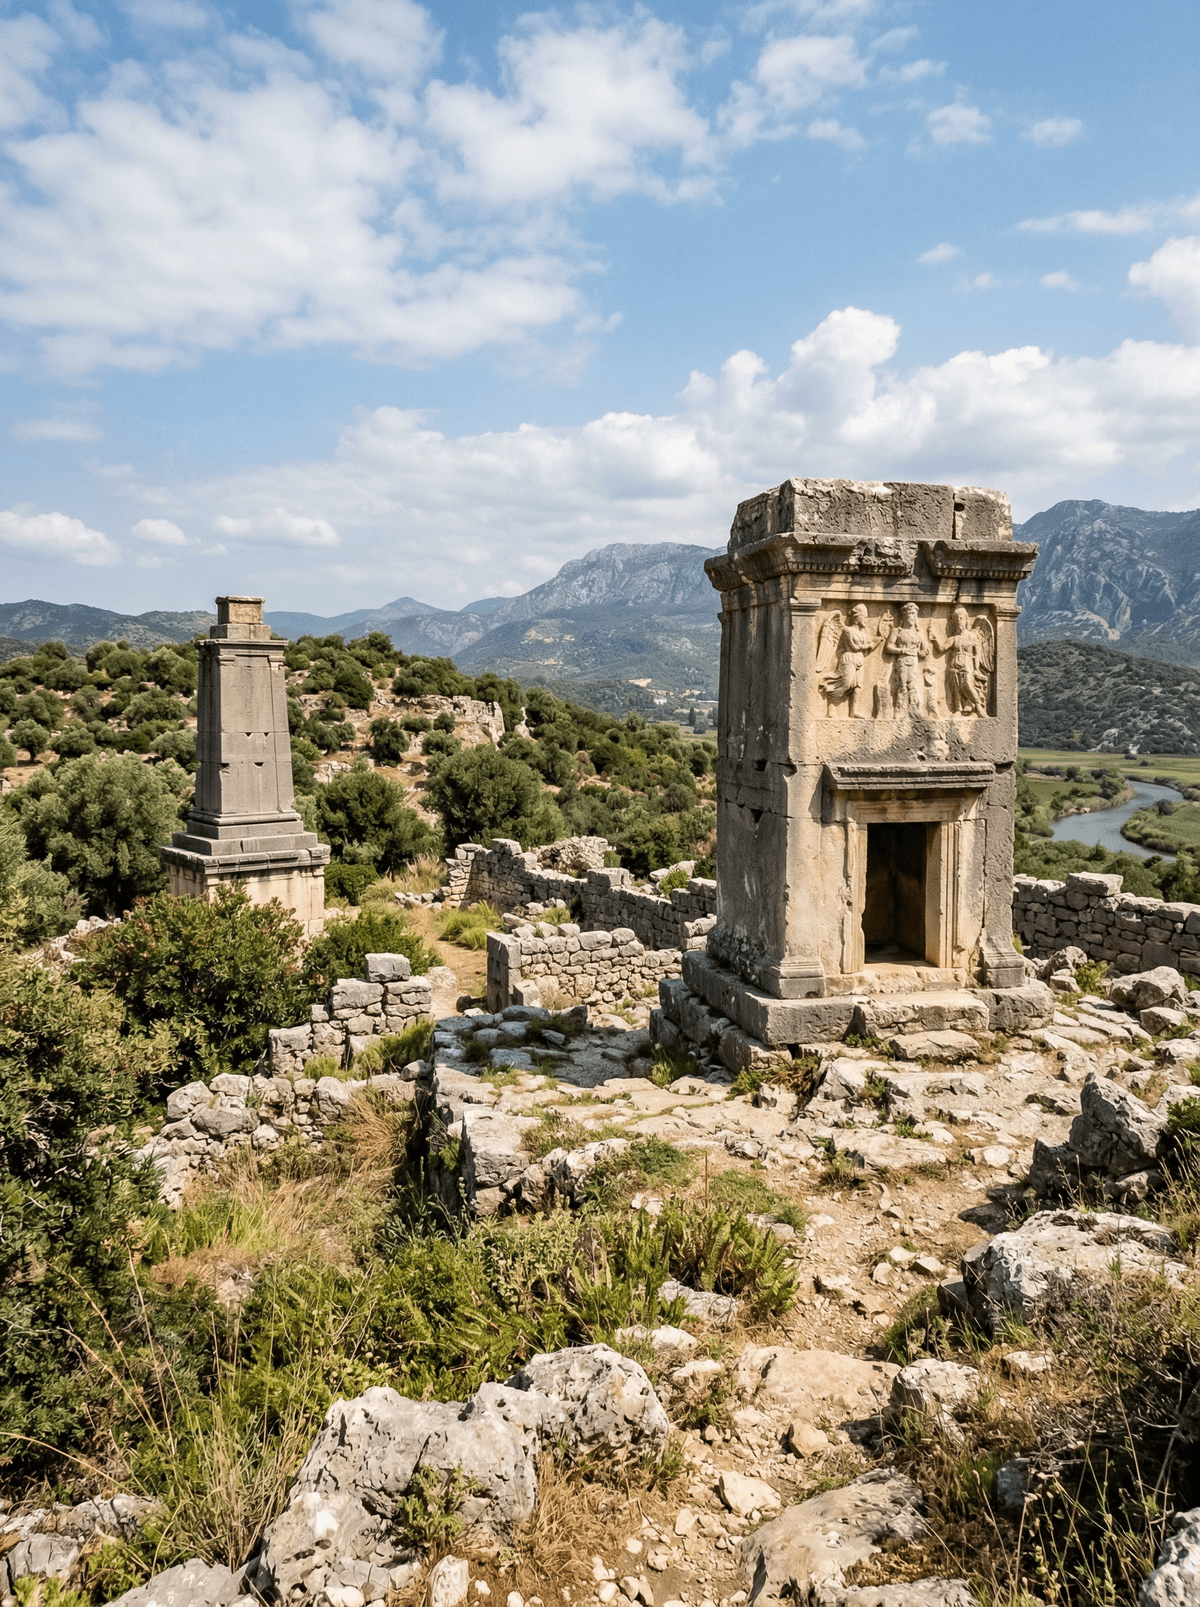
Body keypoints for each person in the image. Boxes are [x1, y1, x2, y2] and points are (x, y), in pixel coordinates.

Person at [884, 602, 931, 718]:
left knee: (912, 685)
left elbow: (925, 650)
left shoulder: (919, 633)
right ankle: (899, 710)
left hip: (913, 660)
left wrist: (921, 653)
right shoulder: (897, 631)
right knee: (902, 684)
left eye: (914, 615)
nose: (912, 617)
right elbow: (889, 647)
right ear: (904, 616)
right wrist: (902, 651)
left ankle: (914, 710)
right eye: (910, 615)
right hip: (902, 660)